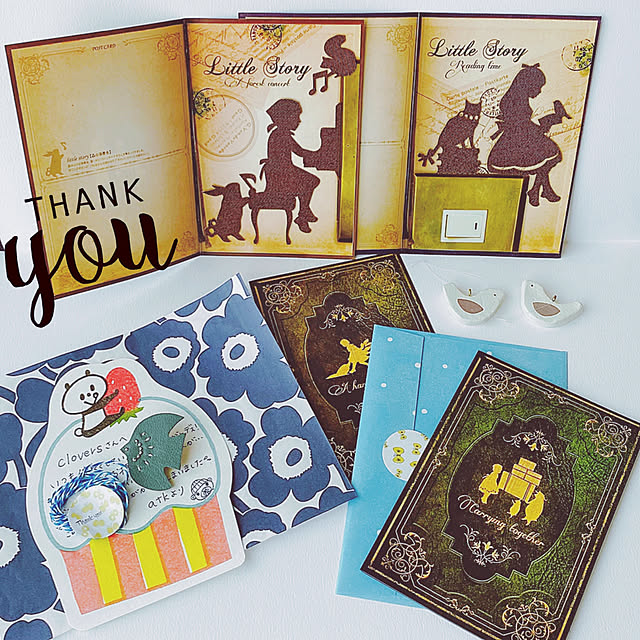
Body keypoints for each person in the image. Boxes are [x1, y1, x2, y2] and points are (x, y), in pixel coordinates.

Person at [488, 63, 568, 207]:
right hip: (515, 142)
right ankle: (540, 190)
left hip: (524, 136)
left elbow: (523, 123)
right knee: (547, 156)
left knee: (548, 156)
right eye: (538, 87)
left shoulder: (519, 98)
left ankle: (539, 190)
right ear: (528, 85)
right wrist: (545, 124)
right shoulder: (514, 101)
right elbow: (519, 124)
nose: (539, 91)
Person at [259, 99, 321, 233]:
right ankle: (303, 214)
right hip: (280, 176)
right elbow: (300, 152)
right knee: (311, 181)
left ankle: (303, 213)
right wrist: (318, 155)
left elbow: (299, 151)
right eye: (296, 116)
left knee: (309, 182)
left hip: (284, 172)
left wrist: (316, 155)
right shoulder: (280, 135)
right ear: (285, 118)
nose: (299, 120)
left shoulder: (281, 134)